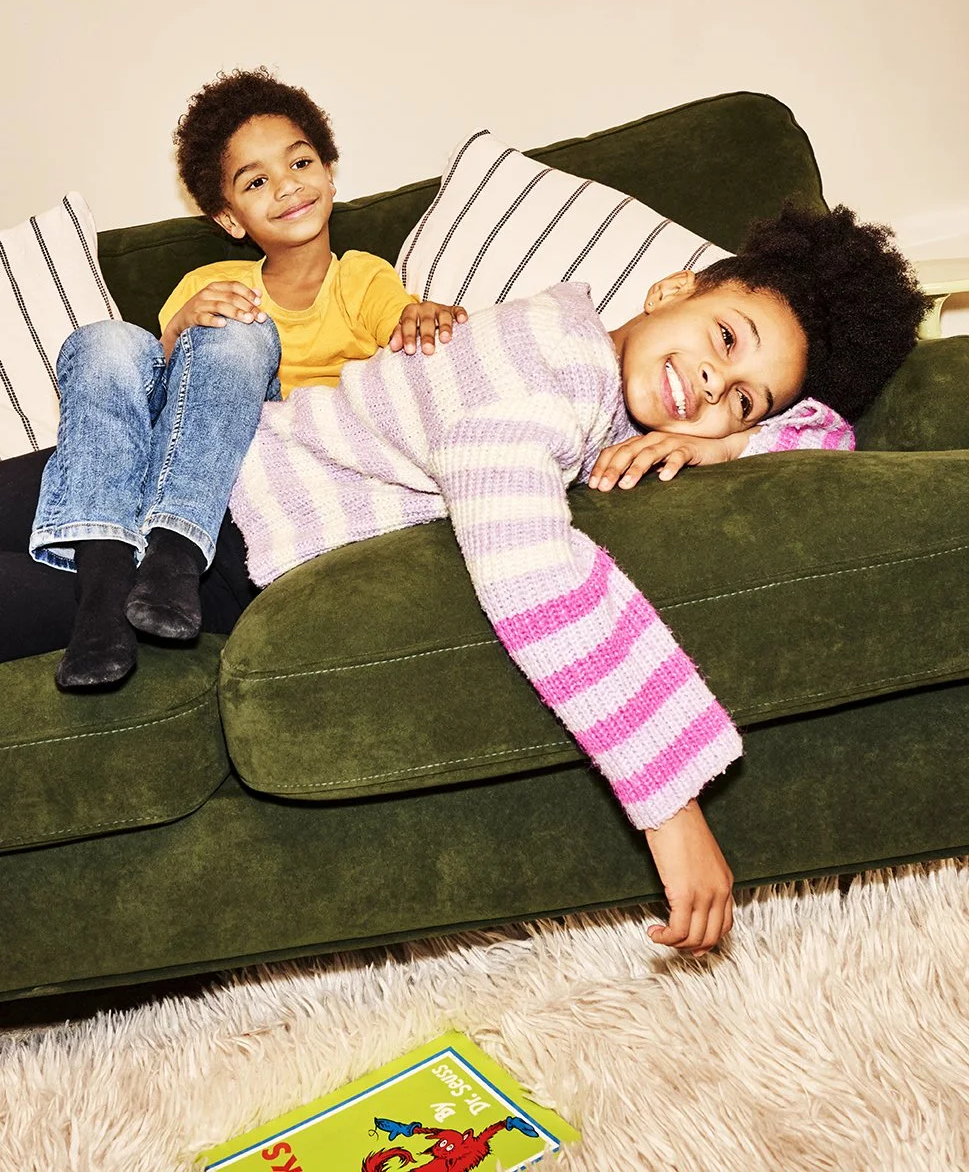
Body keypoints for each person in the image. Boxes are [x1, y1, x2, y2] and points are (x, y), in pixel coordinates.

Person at [0, 202, 923, 952]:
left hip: (191, 491)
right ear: (674, 288)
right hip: (217, 519)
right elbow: (525, 559)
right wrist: (670, 808)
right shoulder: (557, 369)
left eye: (742, 398)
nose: (711, 385)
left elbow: (826, 437)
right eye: (723, 337)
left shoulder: (585, 354)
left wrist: (725, 444)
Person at [25, 68, 465, 689]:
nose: (286, 186)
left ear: (329, 173)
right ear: (231, 219)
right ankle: (104, 590)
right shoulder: (207, 284)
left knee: (241, 332)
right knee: (106, 340)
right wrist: (179, 331)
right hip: (165, 454)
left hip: (254, 465)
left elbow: (401, 327)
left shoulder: (360, 277)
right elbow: (153, 400)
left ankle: (176, 553)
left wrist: (422, 316)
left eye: (300, 163)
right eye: (256, 181)